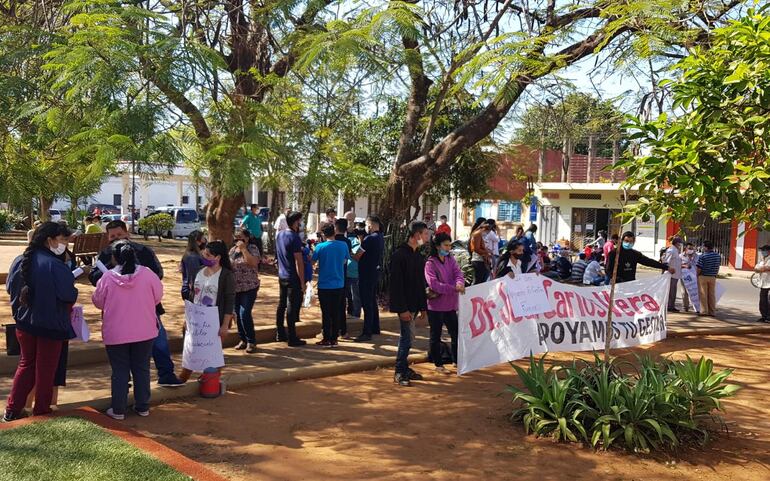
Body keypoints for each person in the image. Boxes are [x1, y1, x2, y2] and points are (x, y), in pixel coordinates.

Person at [89, 220, 184, 386]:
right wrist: (113, 269)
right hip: (117, 309)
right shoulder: (104, 255)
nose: (116, 238)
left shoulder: (143, 251)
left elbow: (158, 273)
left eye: (119, 234)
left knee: (159, 340)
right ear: (107, 237)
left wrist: (135, 274)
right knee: (120, 346)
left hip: (146, 307)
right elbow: (94, 277)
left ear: (127, 233)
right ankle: (122, 379)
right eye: (112, 236)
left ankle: (166, 374)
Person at [3, 222, 78, 422]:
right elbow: (68, 294)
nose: (65, 244)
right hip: (50, 325)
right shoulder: (55, 265)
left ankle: (12, 409)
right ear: (49, 240)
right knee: (46, 369)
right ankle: (42, 410)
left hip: (24, 324)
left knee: (26, 364)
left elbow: (10, 288)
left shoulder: (20, 260)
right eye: (62, 240)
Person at [92, 240, 162, 420]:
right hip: (145, 331)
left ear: (114, 258)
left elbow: (98, 301)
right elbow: (157, 296)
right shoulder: (148, 274)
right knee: (142, 368)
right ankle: (143, 406)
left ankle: (118, 409)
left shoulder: (107, 278)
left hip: (116, 333)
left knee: (120, 371)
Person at [180, 240, 235, 382]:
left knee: (212, 352)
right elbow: (192, 295)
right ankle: (185, 376)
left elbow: (229, 301)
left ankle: (210, 379)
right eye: (204, 254)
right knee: (192, 348)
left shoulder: (226, 275)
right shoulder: (198, 271)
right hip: (196, 319)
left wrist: (225, 325)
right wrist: (187, 318)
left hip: (215, 321)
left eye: (208, 255)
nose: (204, 257)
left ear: (218, 257)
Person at [390, 221, 429, 387]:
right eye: (425, 234)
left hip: (414, 304)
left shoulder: (418, 256)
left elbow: (420, 284)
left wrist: (423, 307)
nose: (427, 238)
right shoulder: (399, 255)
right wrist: (402, 309)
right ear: (417, 235)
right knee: (406, 338)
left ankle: (404, 367)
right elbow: (396, 285)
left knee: (410, 338)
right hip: (405, 305)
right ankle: (399, 370)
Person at [424, 232, 464, 375]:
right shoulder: (430, 263)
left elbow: (458, 273)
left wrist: (459, 283)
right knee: (435, 335)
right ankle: (438, 364)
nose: (448, 248)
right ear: (437, 246)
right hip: (436, 306)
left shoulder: (450, 259)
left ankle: (456, 360)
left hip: (450, 305)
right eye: (446, 245)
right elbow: (434, 284)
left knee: (455, 333)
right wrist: (453, 288)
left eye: (449, 245)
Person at [312, 224, 350, 347]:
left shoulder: (320, 247)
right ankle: (334, 338)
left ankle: (326, 338)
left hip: (324, 285)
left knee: (326, 313)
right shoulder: (343, 245)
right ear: (334, 232)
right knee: (336, 312)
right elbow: (345, 260)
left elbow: (312, 261)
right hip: (339, 283)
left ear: (323, 234)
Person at [275, 211, 308, 346]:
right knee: (291, 306)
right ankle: (292, 337)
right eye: (299, 221)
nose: (300, 224)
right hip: (292, 276)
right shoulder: (294, 237)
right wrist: (302, 282)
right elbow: (298, 261)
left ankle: (280, 333)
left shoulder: (279, 235)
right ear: (295, 222)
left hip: (282, 275)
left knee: (282, 304)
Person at [354, 215, 385, 342]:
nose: (366, 228)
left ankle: (367, 332)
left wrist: (351, 252)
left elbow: (357, 256)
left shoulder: (369, 239)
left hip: (366, 274)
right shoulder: (380, 237)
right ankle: (375, 327)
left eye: (366, 225)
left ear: (370, 225)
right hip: (374, 273)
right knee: (372, 301)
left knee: (367, 303)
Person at [230, 228, 261, 354]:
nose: (238, 240)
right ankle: (242, 339)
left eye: (241, 237)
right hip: (235, 288)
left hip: (249, 287)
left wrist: (243, 249)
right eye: (236, 237)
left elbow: (253, 262)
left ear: (247, 238)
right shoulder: (232, 250)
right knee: (237, 314)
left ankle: (251, 341)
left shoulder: (253, 248)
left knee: (244, 313)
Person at [605, 231, 671, 283]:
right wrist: (616, 279)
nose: (628, 243)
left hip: (631, 284)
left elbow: (649, 262)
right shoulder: (614, 253)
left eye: (631, 242)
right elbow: (608, 270)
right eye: (626, 241)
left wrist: (666, 267)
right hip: (617, 285)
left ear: (634, 242)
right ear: (622, 241)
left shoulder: (635, 254)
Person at [334, 219, 354, 339]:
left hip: (332, 276)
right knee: (342, 303)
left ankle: (333, 330)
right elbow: (349, 256)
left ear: (335, 228)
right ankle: (343, 330)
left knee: (332, 305)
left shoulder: (332, 241)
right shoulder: (347, 242)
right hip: (343, 275)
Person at [696, 240, 721, 317]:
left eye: (703, 246)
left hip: (703, 276)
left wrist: (697, 275)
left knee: (703, 294)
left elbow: (699, 268)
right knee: (712, 295)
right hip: (713, 276)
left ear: (706, 247)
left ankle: (704, 311)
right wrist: (715, 274)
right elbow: (718, 266)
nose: (702, 248)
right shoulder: (717, 256)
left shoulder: (703, 256)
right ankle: (712, 311)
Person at [180, 230, 206, 301]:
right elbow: (193, 275)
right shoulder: (192, 256)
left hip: (194, 290)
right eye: (203, 237)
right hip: (191, 291)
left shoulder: (197, 253)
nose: (205, 239)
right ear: (197, 240)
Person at [346, 229, 365, 320]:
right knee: (350, 296)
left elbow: (358, 258)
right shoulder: (351, 242)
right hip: (349, 273)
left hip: (356, 274)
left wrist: (350, 254)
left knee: (355, 296)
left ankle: (356, 314)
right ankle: (351, 312)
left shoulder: (363, 244)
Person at [664, 236, 684, 312]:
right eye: (680, 244)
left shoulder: (676, 251)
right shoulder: (671, 250)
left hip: (675, 275)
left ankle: (671, 306)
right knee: (671, 291)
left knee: (673, 291)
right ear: (676, 243)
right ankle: (669, 306)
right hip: (671, 275)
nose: (680, 245)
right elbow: (666, 262)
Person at [680, 242, 699, 312]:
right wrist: (685, 266)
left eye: (692, 248)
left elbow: (698, 265)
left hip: (694, 276)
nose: (691, 250)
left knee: (695, 291)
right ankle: (685, 307)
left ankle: (697, 307)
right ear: (685, 248)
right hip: (684, 276)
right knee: (684, 292)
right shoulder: (681, 256)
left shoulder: (696, 256)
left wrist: (691, 258)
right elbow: (677, 265)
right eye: (689, 248)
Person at [754, 245, 770, 323]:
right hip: (763, 283)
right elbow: (756, 268)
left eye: (764, 250)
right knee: (763, 300)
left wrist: (762, 268)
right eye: (762, 250)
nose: (763, 252)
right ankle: (764, 316)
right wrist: (761, 268)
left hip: (769, 282)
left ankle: (768, 317)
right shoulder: (762, 259)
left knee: (768, 300)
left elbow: (766, 268)